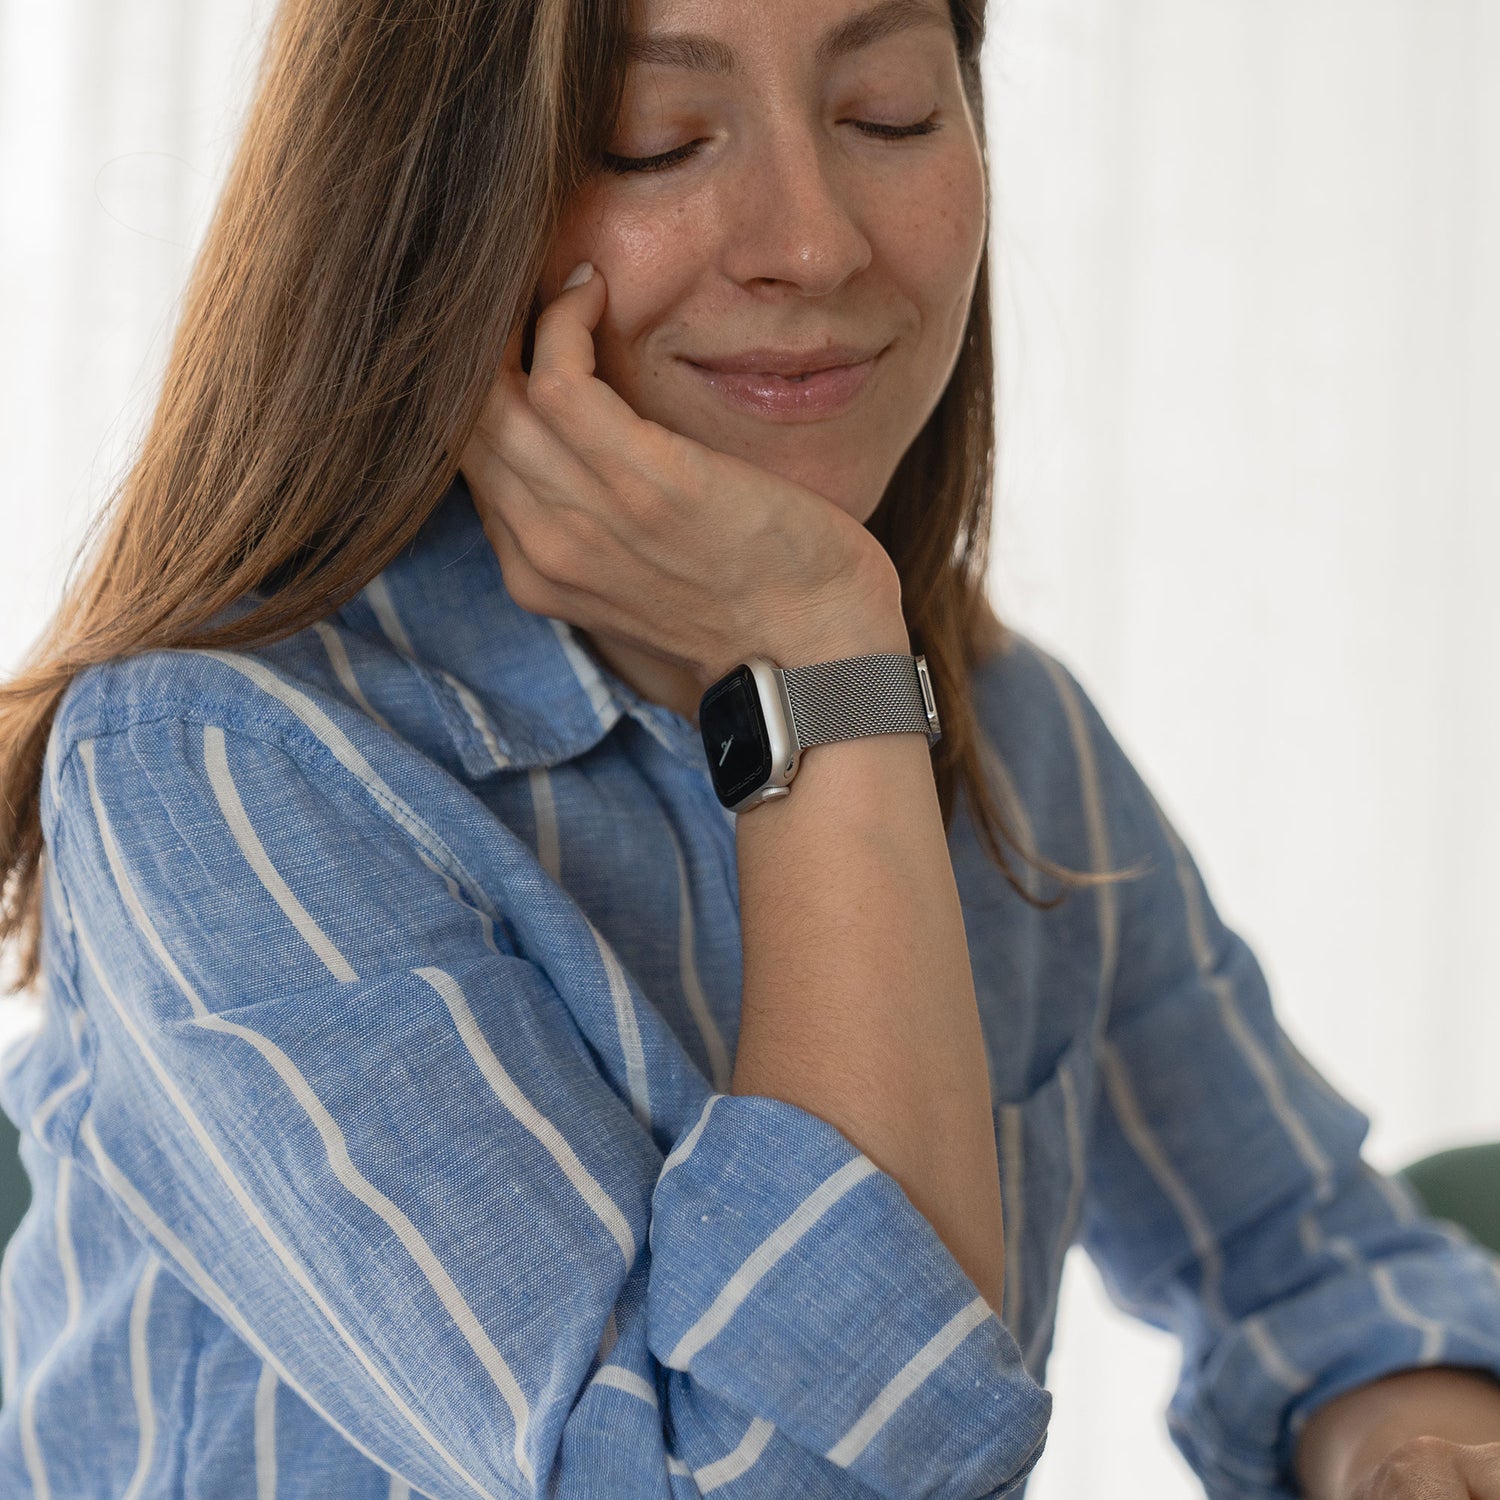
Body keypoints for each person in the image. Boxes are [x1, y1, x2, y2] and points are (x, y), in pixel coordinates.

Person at [2, 0, 1499, 1494]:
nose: (815, 244)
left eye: (890, 113)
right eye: (650, 142)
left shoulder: (1008, 727)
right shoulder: (212, 764)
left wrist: (1408, 1445)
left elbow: (1310, 1255)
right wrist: (817, 662)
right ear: (424, 214)